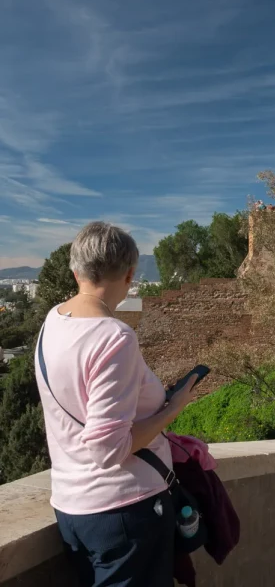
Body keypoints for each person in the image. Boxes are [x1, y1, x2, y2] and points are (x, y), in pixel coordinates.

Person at [35, 222, 199, 587]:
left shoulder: (52, 321)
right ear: (129, 275)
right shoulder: (114, 337)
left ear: (76, 271)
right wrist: (173, 408)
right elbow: (108, 449)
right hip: (125, 511)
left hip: (72, 507)